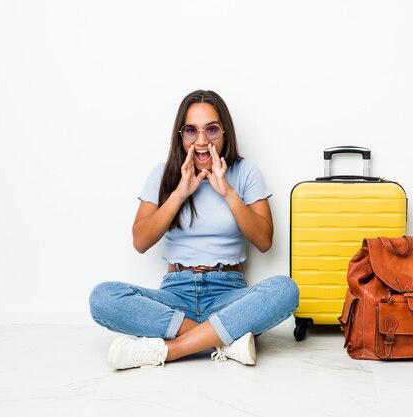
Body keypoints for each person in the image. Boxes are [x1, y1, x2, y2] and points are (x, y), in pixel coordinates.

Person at [89, 90, 299, 370]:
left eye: (211, 130)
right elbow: (140, 241)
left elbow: (264, 241)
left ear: (225, 133)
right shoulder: (162, 174)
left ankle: (172, 349)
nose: (201, 141)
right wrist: (179, 193)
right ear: (181, 135)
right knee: (102, 297)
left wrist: (228, 193)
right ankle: (221, 340)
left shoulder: (246, 172)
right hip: (175, 293)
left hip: (228, 293)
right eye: (191, 130)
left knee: (286, 290)